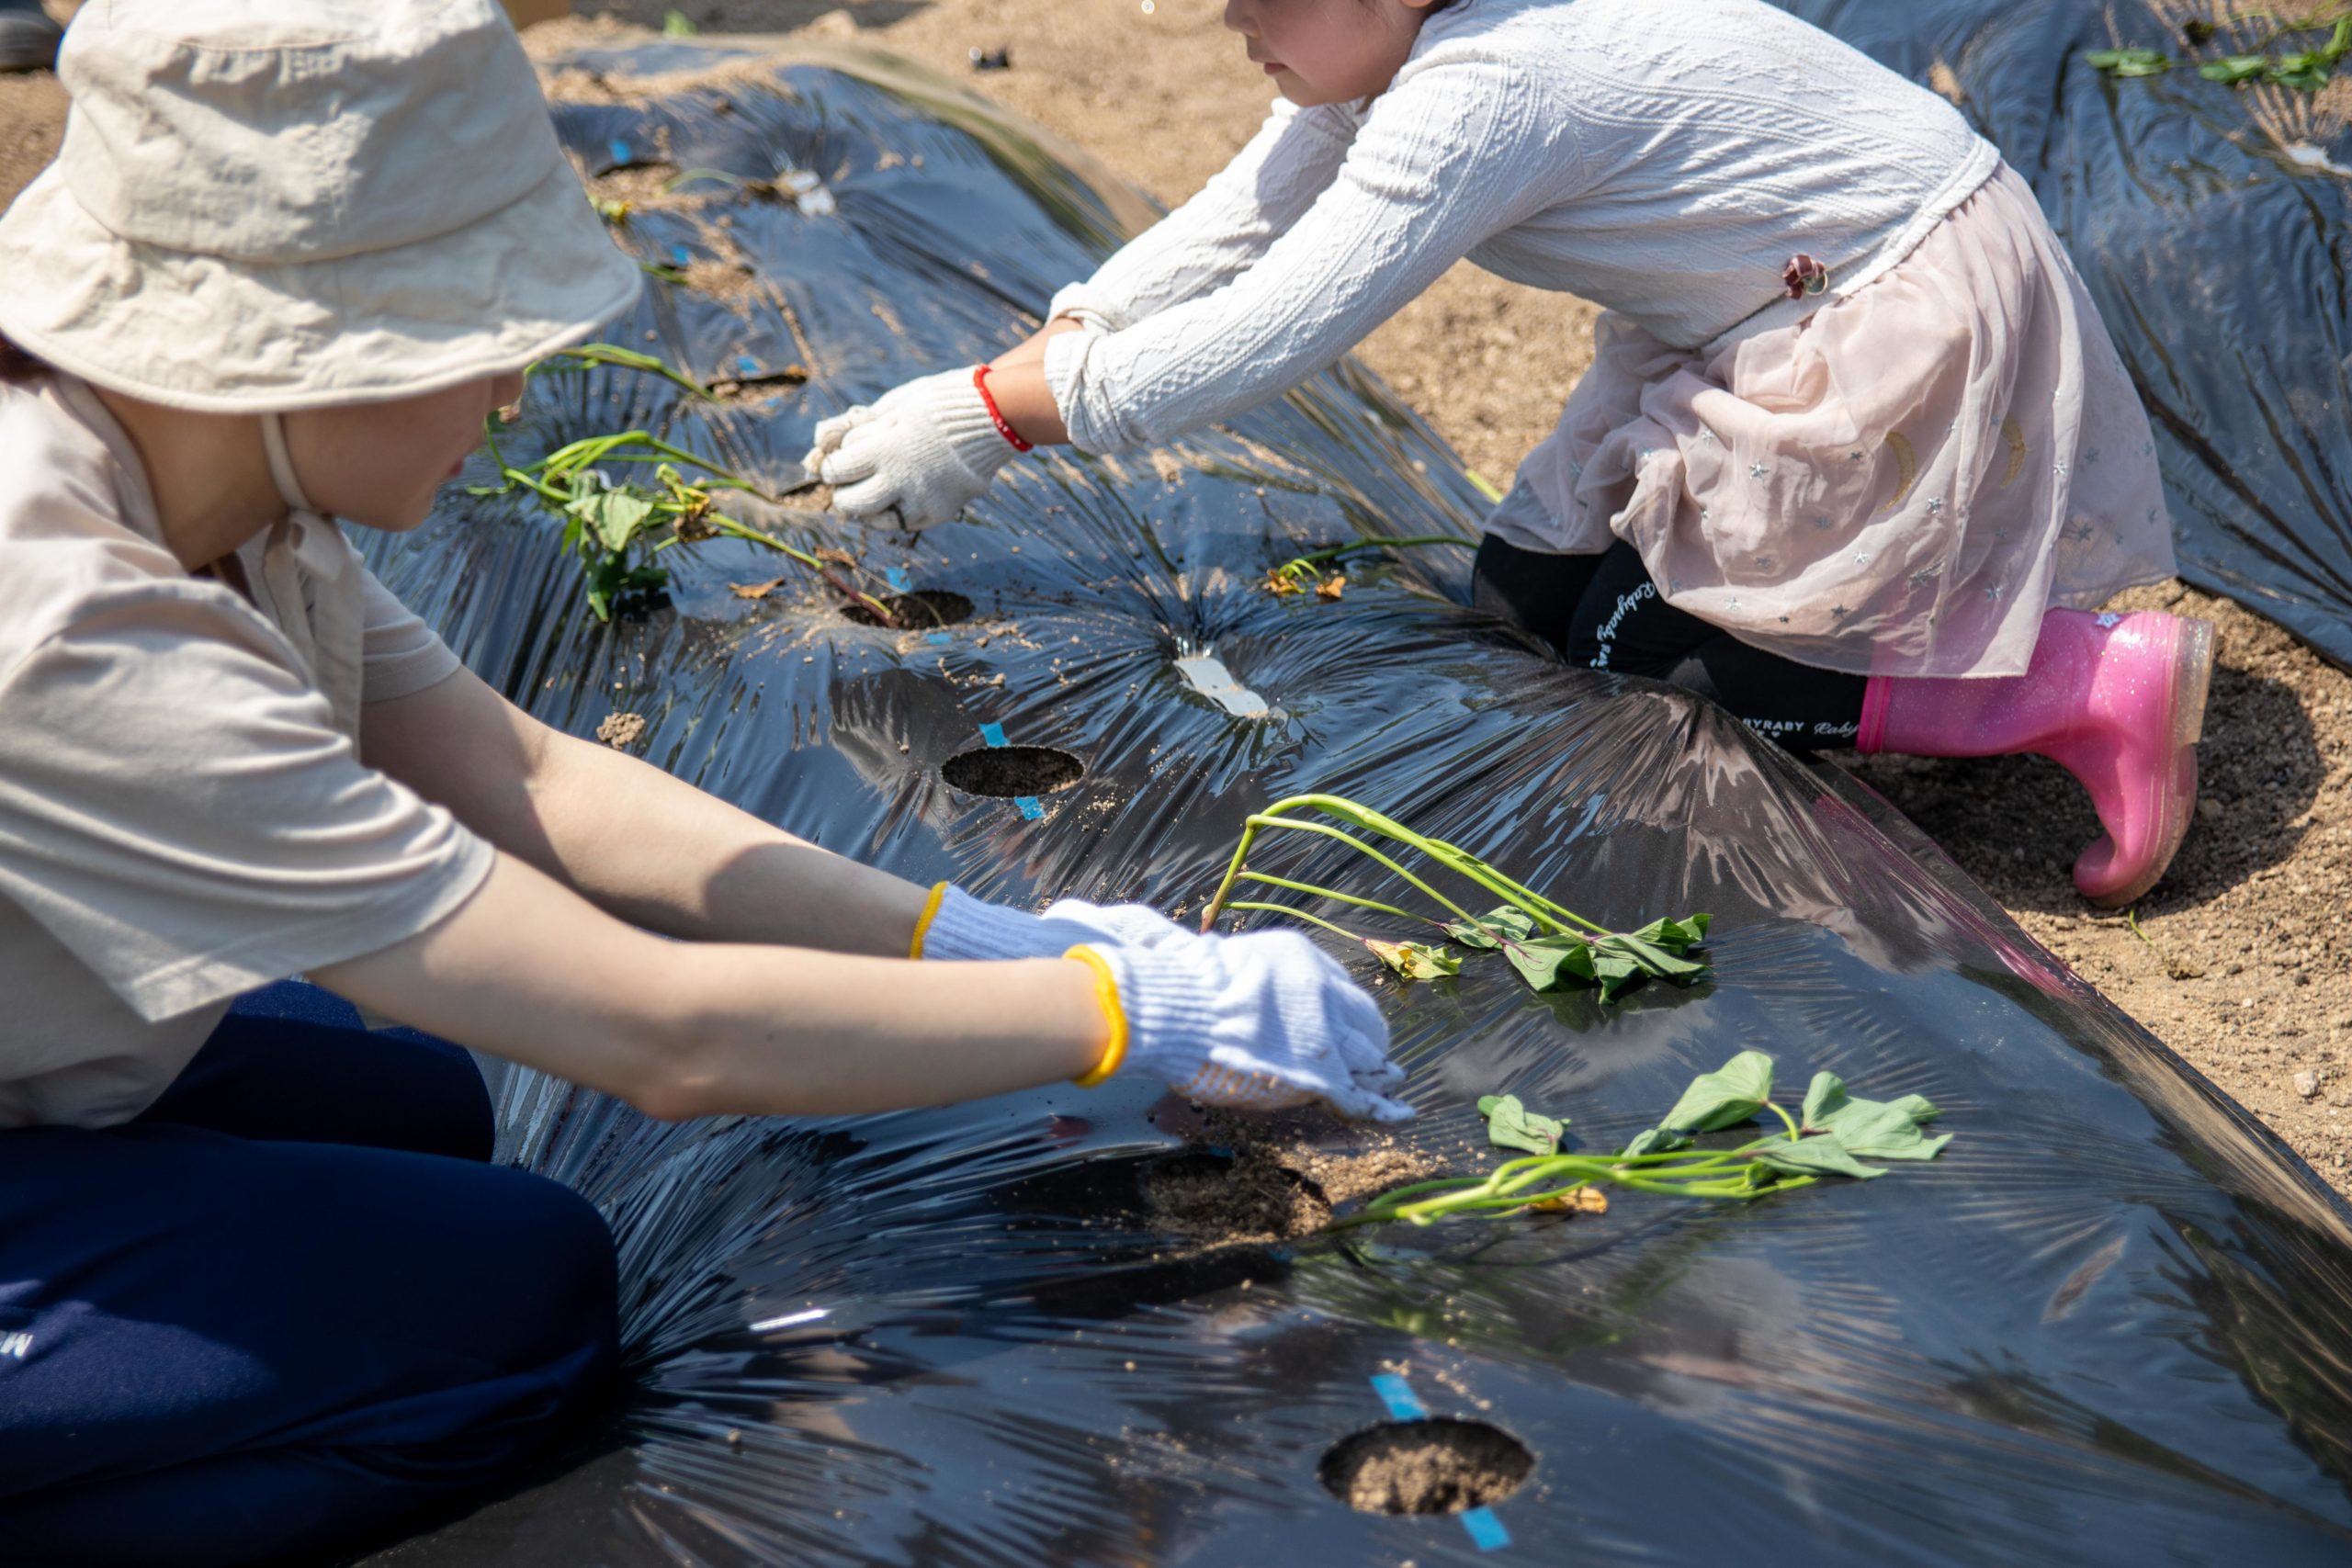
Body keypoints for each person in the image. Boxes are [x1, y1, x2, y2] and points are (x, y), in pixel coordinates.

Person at [0, 3, 1408, 1561]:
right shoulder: (67, 626)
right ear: (300, 344)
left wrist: (981, 943)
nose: (511, 398)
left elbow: (529, 776)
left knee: (421, 1097)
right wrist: (1123, 1016)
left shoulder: (204, 474)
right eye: (473, 341)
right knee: (524, 1305)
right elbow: (661, 1035)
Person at [811, 0, 2214, 909]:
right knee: (1521, 607)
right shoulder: (1410, 43)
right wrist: (1057, 340)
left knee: (1631, 655)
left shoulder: (1481, 91)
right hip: (1766, 295)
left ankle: (2075, 685)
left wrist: (990, 415)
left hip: (1881, 305)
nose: (1227, 15)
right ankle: (1908, 648)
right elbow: (1242, 218)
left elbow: (1263, 335)